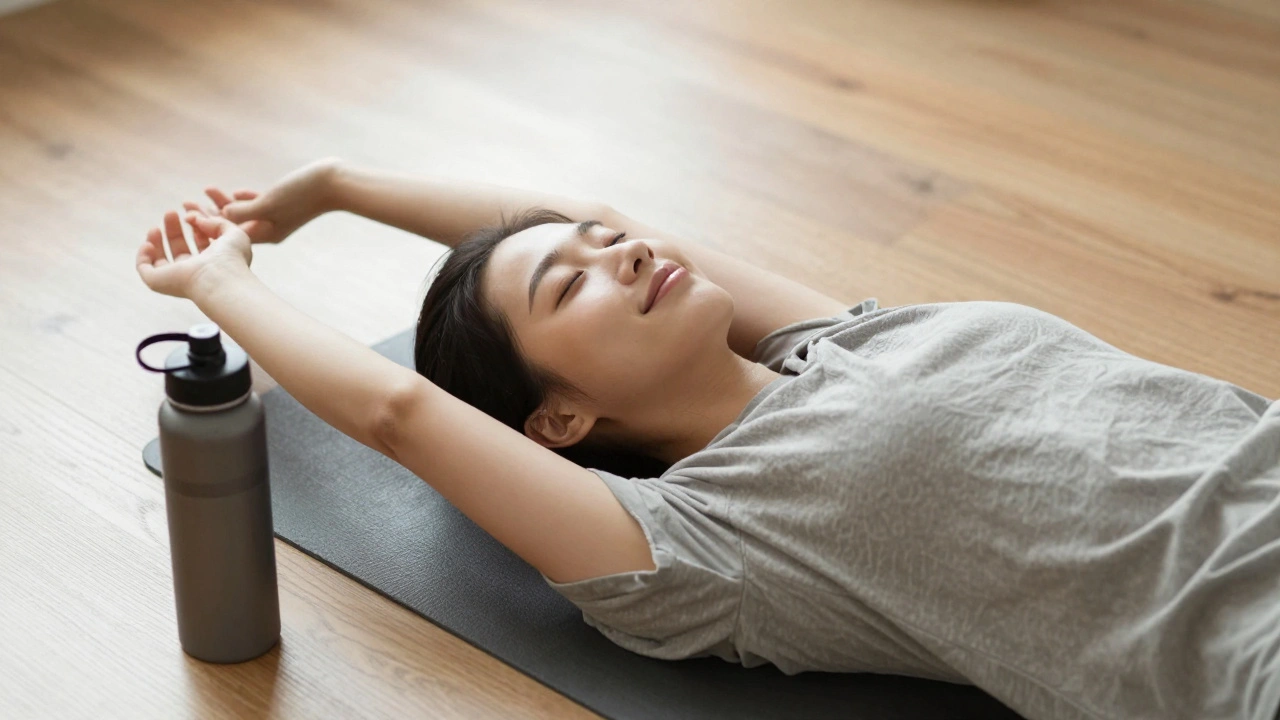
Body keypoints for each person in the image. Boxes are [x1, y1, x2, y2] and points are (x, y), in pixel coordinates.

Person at [135, 158, 1280, 720]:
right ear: (559, 422)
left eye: (606, 239)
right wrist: (218, 282)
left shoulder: (840, 340)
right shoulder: (702, 543)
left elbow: (587, 219)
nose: (620, 252)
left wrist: (332, 185)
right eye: (566, 284)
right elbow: (402, 415)